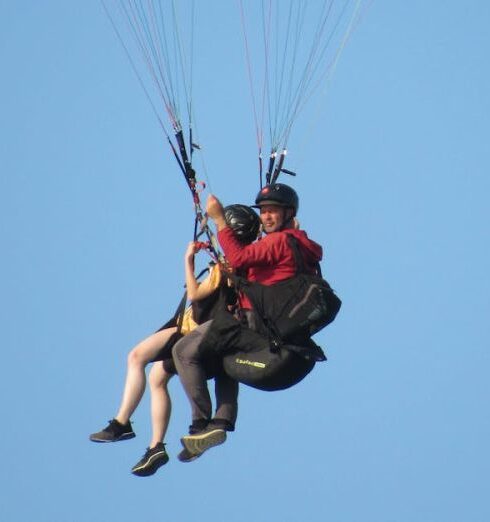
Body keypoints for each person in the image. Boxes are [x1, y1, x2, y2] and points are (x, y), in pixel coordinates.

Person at [89, 204, 260, 476]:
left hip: (190, 329)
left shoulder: (227, 268)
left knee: (136, 357)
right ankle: (155, 447)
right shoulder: (243, 267)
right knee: (157, 377)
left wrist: (188, 261)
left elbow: (194, 293)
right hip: (199, 330)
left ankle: (122, 424)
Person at [175, 183, 324, 458]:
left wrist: (220, 220)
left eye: (273, 212)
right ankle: (221, 422)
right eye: (264, 212)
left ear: (289, 213)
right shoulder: (300, 244)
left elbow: (241, 257)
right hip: (274, 326)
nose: (266, 217)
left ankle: (199, 424)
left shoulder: (278, 241)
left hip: (253, 320)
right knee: (224, 357)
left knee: (182, 351)